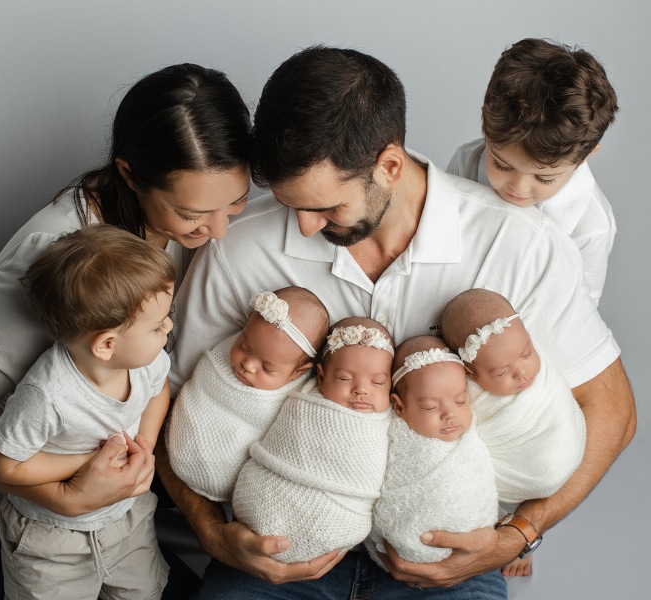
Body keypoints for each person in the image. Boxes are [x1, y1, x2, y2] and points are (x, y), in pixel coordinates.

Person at [158, 45, 635, 599]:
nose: (306, 228)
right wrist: (211, 532)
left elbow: (612, 410)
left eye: (327, 208)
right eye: (293, 206)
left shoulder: (520, 245)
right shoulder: (238, 249)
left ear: (389, 165)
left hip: (446, 556)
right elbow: (166, 402)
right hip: (277, 545)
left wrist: (517, 536)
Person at [0, 62, 251, 600]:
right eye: (193, 213)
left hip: (113, 509)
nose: (218, 231)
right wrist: (67, 498)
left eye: (234, 202)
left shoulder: (192, 229)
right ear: (129, 173)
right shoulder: (54, 256)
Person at [0, 224, 175, 598]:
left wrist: (145, 443)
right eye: (157, 326)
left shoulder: (145, 361)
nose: (168, 326)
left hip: (126, 519)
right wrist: (86, 462)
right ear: (106, 344)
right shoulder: (49, 394)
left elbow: (158, 391)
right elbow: (2, 464)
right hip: (52, 538)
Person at [447, 38, 619, 305]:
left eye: (544, 178)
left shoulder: (591, 227)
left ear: (585, 156)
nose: (518, 186)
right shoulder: (466, 162)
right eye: (502, 165)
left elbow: (579, 312)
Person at [441, 288, 586, 577]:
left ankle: (523, 530)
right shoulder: (463, 389)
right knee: (464, 479)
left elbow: (559, 402)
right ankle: (503, 525)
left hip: (564, 449)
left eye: (526, 353)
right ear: (471, 373)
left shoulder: (532, 361)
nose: (522, 372)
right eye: (500, 372)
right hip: (507, 474)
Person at [232, 317, 394, 563]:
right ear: (320, 376)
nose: (361, 389)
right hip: (265, 507)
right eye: (344, 378)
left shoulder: (390, 420)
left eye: (377, 382)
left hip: (344, 522)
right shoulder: (302, 403)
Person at [166, 287, 329, 502]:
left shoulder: (297, 397)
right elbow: (199, 386)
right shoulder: (226, 353)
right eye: (244, 346)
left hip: (233, 477)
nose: (248, 365)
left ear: (297, 372)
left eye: (268, 368)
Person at [366, 336, 498, 567]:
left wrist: (514, 544)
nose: (450, 414)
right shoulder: (388, 433)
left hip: (472, 552)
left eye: (460, 401)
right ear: (399, 407)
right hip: (393, 549)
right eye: (431, 407)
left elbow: (486, 484)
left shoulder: (471, 438)